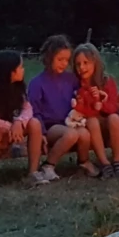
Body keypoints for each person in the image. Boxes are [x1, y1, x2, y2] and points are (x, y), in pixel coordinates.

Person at [0, 51, 51, 186]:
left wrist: (19, 122)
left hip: (8, 135)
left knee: (34, 123)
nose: (23, 70)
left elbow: (27, 109)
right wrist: (10, 127)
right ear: (10, 72)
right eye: (20, 67)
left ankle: (33, 172)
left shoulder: (18, 89)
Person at [29, 35, 87, 179]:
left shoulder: (71, 79)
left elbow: (80, 96)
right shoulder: (37, 83)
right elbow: (34, 110)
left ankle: (84, 163)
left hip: (69, 121)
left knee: (85, 134)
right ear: (49, 58)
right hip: (51, 127)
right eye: (59, 59)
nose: (63, 63)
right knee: (71, 134)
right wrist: (41, 132)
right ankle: (48, 165)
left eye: (66, 60)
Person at [72, 44, 119, 178]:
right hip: (90, 124)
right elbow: (81, 110)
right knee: (92, 121)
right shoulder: (76, 84)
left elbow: (114, 106)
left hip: (108, 122)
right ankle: (104, 162)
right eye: (78, 64)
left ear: (95, 62)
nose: (82, 68)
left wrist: (101, 103)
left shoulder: (107, 81)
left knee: (114, 118)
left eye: (86, 63)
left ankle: (117, 161)